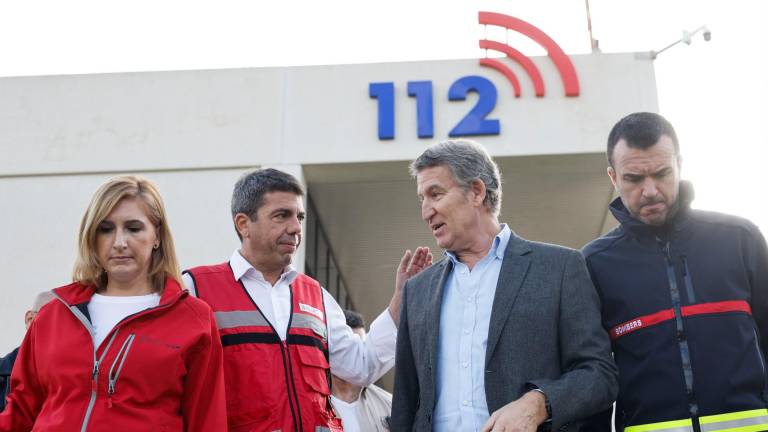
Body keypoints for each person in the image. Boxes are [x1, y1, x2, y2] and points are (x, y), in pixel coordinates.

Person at [391, 139, 618, 432]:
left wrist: (539, 403)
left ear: (476, 191)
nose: (426, 211)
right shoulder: (417, 291)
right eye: (422, 198)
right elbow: (405, 405)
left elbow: (599, 374)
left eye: (435, 194)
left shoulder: (560, 268)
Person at [183, 168, 431, 431]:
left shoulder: (315, 295)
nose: (296, 228)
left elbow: (361, 366)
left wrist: (401, 302)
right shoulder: (196, 288)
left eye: (299, 217)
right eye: (282, 216)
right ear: (243, 224)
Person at [582, 112, 768, 432]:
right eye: (634, 178)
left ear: (679, 164)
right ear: (613, 177)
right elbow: (592, 373)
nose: (651, 190)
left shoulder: (740, 238)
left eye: (661, 173)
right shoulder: (593, 263)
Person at [0, 175, 227, 431]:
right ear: (91, 238)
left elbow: (206, 420)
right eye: (105, 229)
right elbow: (21, 409)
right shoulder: (54, 314)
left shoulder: (193, 319)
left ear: (157, 236)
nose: (119, 242)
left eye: (133, 228)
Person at [330, 309, 393, 432]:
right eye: (347, 348)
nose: (355, 355)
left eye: (360, 347)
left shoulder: (389, 404)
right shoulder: (309, 404)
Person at [0, 291, 54, 412]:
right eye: (49, 318)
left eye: (64, 323)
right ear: (29, 318)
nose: (55, 328)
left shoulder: (71, 383)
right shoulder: (3, 376)